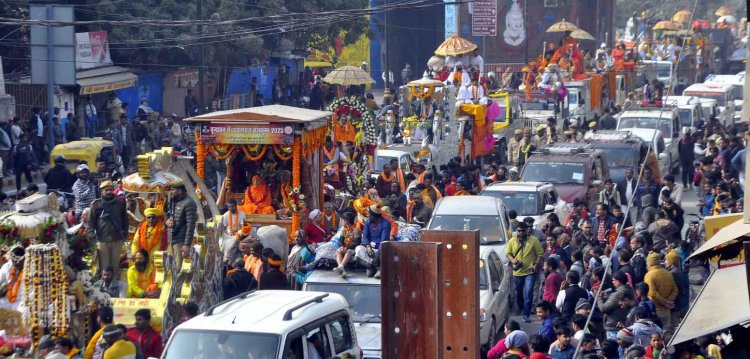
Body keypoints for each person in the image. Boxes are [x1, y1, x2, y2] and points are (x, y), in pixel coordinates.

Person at [88, 181, 127, 278]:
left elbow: (125, 220)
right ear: (101, 191)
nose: (109, 192)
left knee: (115, 266)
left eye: (111, 189)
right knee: (104, 268)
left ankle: (114, 288)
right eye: (106, 190)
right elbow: (91, 222)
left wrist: (125, 234)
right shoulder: (96, 204)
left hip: (117, 240)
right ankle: (104, 289)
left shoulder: (120, 203)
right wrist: (90, 234)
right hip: (102, 241)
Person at [507, 221, 544, 322]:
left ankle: (526, 315)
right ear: (517, 231)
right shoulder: (512, 241)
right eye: (519, 231)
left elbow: (540, 253)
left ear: (527, 231)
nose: (521, 233)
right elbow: (508, 253)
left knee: (528, 292)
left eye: (523, 231)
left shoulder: (533, 240)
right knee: (518, 293)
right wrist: (513, 260)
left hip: (529, 272)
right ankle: (520, 307)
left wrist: (536, 264)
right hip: (517, 272)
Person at [166, 179, 197, 270]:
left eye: (173, 190)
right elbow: (167, 215)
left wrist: (186, 245)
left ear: (180, 190)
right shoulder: (173, 201)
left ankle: (178, 284)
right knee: (171, 268)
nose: (171, 192)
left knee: (178, 268)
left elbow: (190, 225)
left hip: (181, 241)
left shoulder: (189, 203)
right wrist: (166, 222)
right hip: (172, 239)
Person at [355, 204, 391, 278]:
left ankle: (379, 268)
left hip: (380, 249)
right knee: (358, 248)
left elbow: (383, 241)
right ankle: (371, 266)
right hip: (370, 249)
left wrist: (377, 256)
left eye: (369, 213)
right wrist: (368, 247)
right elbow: (365, 236)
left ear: (374, 215)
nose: (367, 215)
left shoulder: (386, 224)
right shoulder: (368, 222)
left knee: (384, 250)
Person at [643, 253, 677, 331]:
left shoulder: (649, 275)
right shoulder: (668, 273)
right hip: (667, 310)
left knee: (657, 334)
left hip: (655, 310)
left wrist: (665, 302)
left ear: (649, 263)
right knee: (667, 332)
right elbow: (675, 290)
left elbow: (652, 293)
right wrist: (669, 301)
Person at [598, 271, 635, 339]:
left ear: (618, 281)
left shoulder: (618, 293)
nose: (612, 282)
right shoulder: (630, 290)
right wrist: (607, 298)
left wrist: (599, 299)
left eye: (613, 280)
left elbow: (604, 308)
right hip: (623, 323)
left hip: (614, 326)